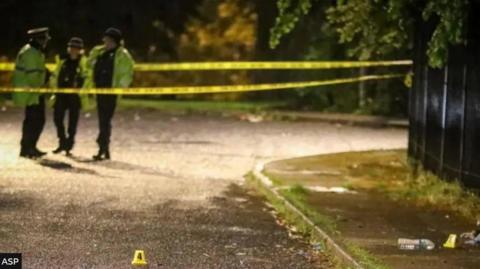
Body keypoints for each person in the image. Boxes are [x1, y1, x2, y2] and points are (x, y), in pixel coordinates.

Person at [85, 28, 134, 160]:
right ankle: (104, 148)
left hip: (111, 91)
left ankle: (102, 146)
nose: (104, 41)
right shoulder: (98, 52)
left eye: (107, 39)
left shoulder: (122, 55)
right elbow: (88, 65)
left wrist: (120, 88)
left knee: (105, 119)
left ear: (113, 41)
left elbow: (127, 73)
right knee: (103, 119)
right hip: (99, 90)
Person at [12, 27, 51, 159]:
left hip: (32, 91)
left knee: (32, 120)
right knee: (36, 120)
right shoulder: (31, 53)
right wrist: (45, 80)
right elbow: (33, 75)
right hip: (32, 91)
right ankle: (29, 148)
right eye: (45, 38)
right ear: (39, 39)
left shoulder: (33, 51)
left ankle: (28, 148)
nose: (46, 41)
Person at [50, 37, 87, 156]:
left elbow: (87, 76)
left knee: (73, 121)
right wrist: (54, 88)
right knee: (57, 118)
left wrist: (80, 87)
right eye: (71, 47)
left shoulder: (83, 62)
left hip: (75, 96)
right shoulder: (62, 60)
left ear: (80, 50)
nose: (73, 50)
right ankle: (62, 141)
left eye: (76, 48)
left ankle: (69, 144)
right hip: (61, 94)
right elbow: (56, 75)